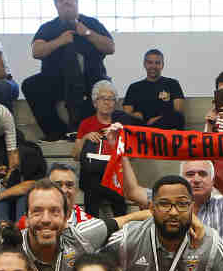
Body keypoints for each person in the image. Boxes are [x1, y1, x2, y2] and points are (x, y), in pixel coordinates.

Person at [0, 180, 139, 271]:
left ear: (66, 218)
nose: (45, 219)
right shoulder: (9, 249)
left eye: (54, 212)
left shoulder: (82, 236)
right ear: (27, 218)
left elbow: (128, 219)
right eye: (37, 211)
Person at [118, 144, 223, 255]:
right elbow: (132, 191)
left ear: (213, 181)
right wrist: (121, 153)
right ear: (180, 178)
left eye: (202, 174)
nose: (196, 179)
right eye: (190, 174)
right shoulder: (164, 201)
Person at [23, 0, 115, 141]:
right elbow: (37, 51)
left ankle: (92, 131)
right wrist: (60, 41)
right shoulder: (48, 27)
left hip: (90, 78)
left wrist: (87, 33)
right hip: (55, 80)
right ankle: (56, 132)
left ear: (76, 1)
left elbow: (110, 47)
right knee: (30, 85)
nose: (66, 1)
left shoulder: (92, 23)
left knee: (105, 88)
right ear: (56, 5)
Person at [74, 80, 128, 217]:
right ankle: (92, 230)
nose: (107, 102)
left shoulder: (121, 123)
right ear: (94, 103)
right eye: (102, 98)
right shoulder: (86, 124)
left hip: (114, 174)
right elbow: (75, 155)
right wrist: (86, 137)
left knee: (119, 200)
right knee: (92, 187)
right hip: (92, 175)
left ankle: (120, 232)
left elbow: (129, 154)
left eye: (111, 99)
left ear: (115, 103)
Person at [15, 163, 92, 231]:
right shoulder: (26, 223)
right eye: (58, 185)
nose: (64, 190)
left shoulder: (89, 225)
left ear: (77, 190)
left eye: (69, 185)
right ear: (46, 188)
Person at [123, 49, 185, 130]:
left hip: (164, 126)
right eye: (150, 63)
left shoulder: (173, 84)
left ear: (162, 65)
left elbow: (178, 110)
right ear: (144, 64)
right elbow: (127, 113)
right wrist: (136, 116)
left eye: (157, 63)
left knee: (178, 117)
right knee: (123, 118)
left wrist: (157, 119)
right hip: (142, 127)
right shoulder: (134, 87)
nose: (153, 66)